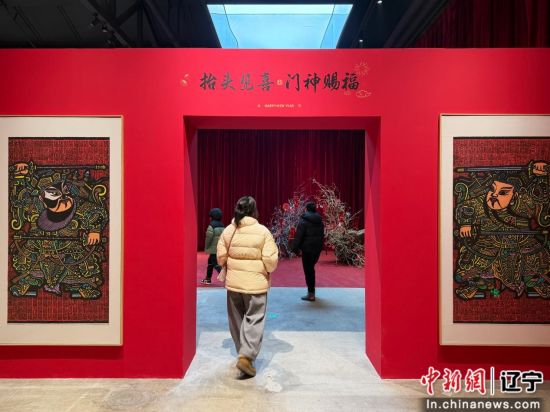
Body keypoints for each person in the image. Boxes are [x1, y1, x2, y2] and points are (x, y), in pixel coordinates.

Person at [455, 161, 550, 300]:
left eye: (503, 193)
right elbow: (466, 208)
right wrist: (466, 224)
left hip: (521, 243)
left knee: (534, 261)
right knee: (473, 264)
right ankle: (475, 285)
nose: (494, 195)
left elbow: (540, 198)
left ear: (515, 196)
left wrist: (541, 176)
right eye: (492, 190)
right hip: (488, 244)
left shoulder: (523, 203)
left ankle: (537, 283)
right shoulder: (481, 203)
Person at [217, 196, 278, 377]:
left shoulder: (229, 231)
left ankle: (242, 353)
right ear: (254, 210)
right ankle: (247, 355)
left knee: (236, 320)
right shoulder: (263, 232)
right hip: (256, 285)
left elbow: (220, 257)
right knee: (255, 318)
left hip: (234, 284)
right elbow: (270, 261)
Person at [292, 201, 325, 302]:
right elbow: (322, 236)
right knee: (311, 269)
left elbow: (298, 236)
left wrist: (295, 249)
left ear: (306, 209)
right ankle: (311, 293)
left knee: (309, 271)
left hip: (307, 250)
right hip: (317, 249)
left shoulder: (303, 221)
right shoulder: (320, 221)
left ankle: (311, 294)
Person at [201, 208, 224, 285]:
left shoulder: (211, 226)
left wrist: (206, 247)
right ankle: (208, 278)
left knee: (215, 264)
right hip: (219, 248)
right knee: (210, 263)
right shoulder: (222, 226)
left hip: (213, 249)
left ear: (211, 217)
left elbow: (208, 238)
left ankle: (226, 277)